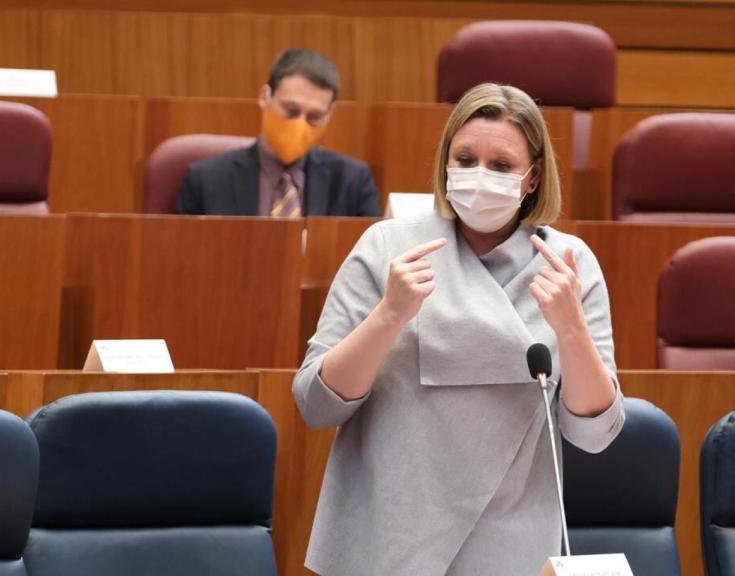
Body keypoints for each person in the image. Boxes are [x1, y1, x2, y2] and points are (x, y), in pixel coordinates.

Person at [293, 83, 625, 576]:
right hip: (387, 533)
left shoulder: (566, 264)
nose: (479, 176)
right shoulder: (389, 246)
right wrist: (389, 315)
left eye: (501, 166)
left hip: (508, 540)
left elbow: (596, 434)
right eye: (465, 159)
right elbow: (315, 405)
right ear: (445, 164)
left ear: (532, 177)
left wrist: (572, 330)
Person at [175, 49, 381, 217]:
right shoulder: (206, 179)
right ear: (265, 97)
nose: (300, 124)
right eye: (291, 111)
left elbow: (374, 263)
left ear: (330, 113)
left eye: (314, 116)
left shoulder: (352, 181)